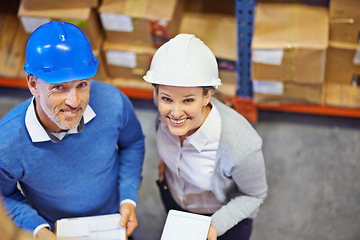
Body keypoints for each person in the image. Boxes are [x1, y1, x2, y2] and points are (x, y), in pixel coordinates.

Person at [0, 21, 145, 239]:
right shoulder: (7, 143)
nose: (74, 101)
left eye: (82, 85)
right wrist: (38, 230)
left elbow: (133, 143)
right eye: (59, 87)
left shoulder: (113, 102)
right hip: (56, 230)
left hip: (114, 221)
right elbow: (5, 195)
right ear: (32, 84)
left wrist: (128, 198)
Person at [143, 34, 268, 240]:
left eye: (188, 100)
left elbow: (254, 195)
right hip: (174, 199)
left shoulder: (240, 144)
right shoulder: (162, 108)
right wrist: (168, 162)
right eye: (166, 98)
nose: (175, 113)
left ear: (206, 96)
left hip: (219, 220)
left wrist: (215, 226)